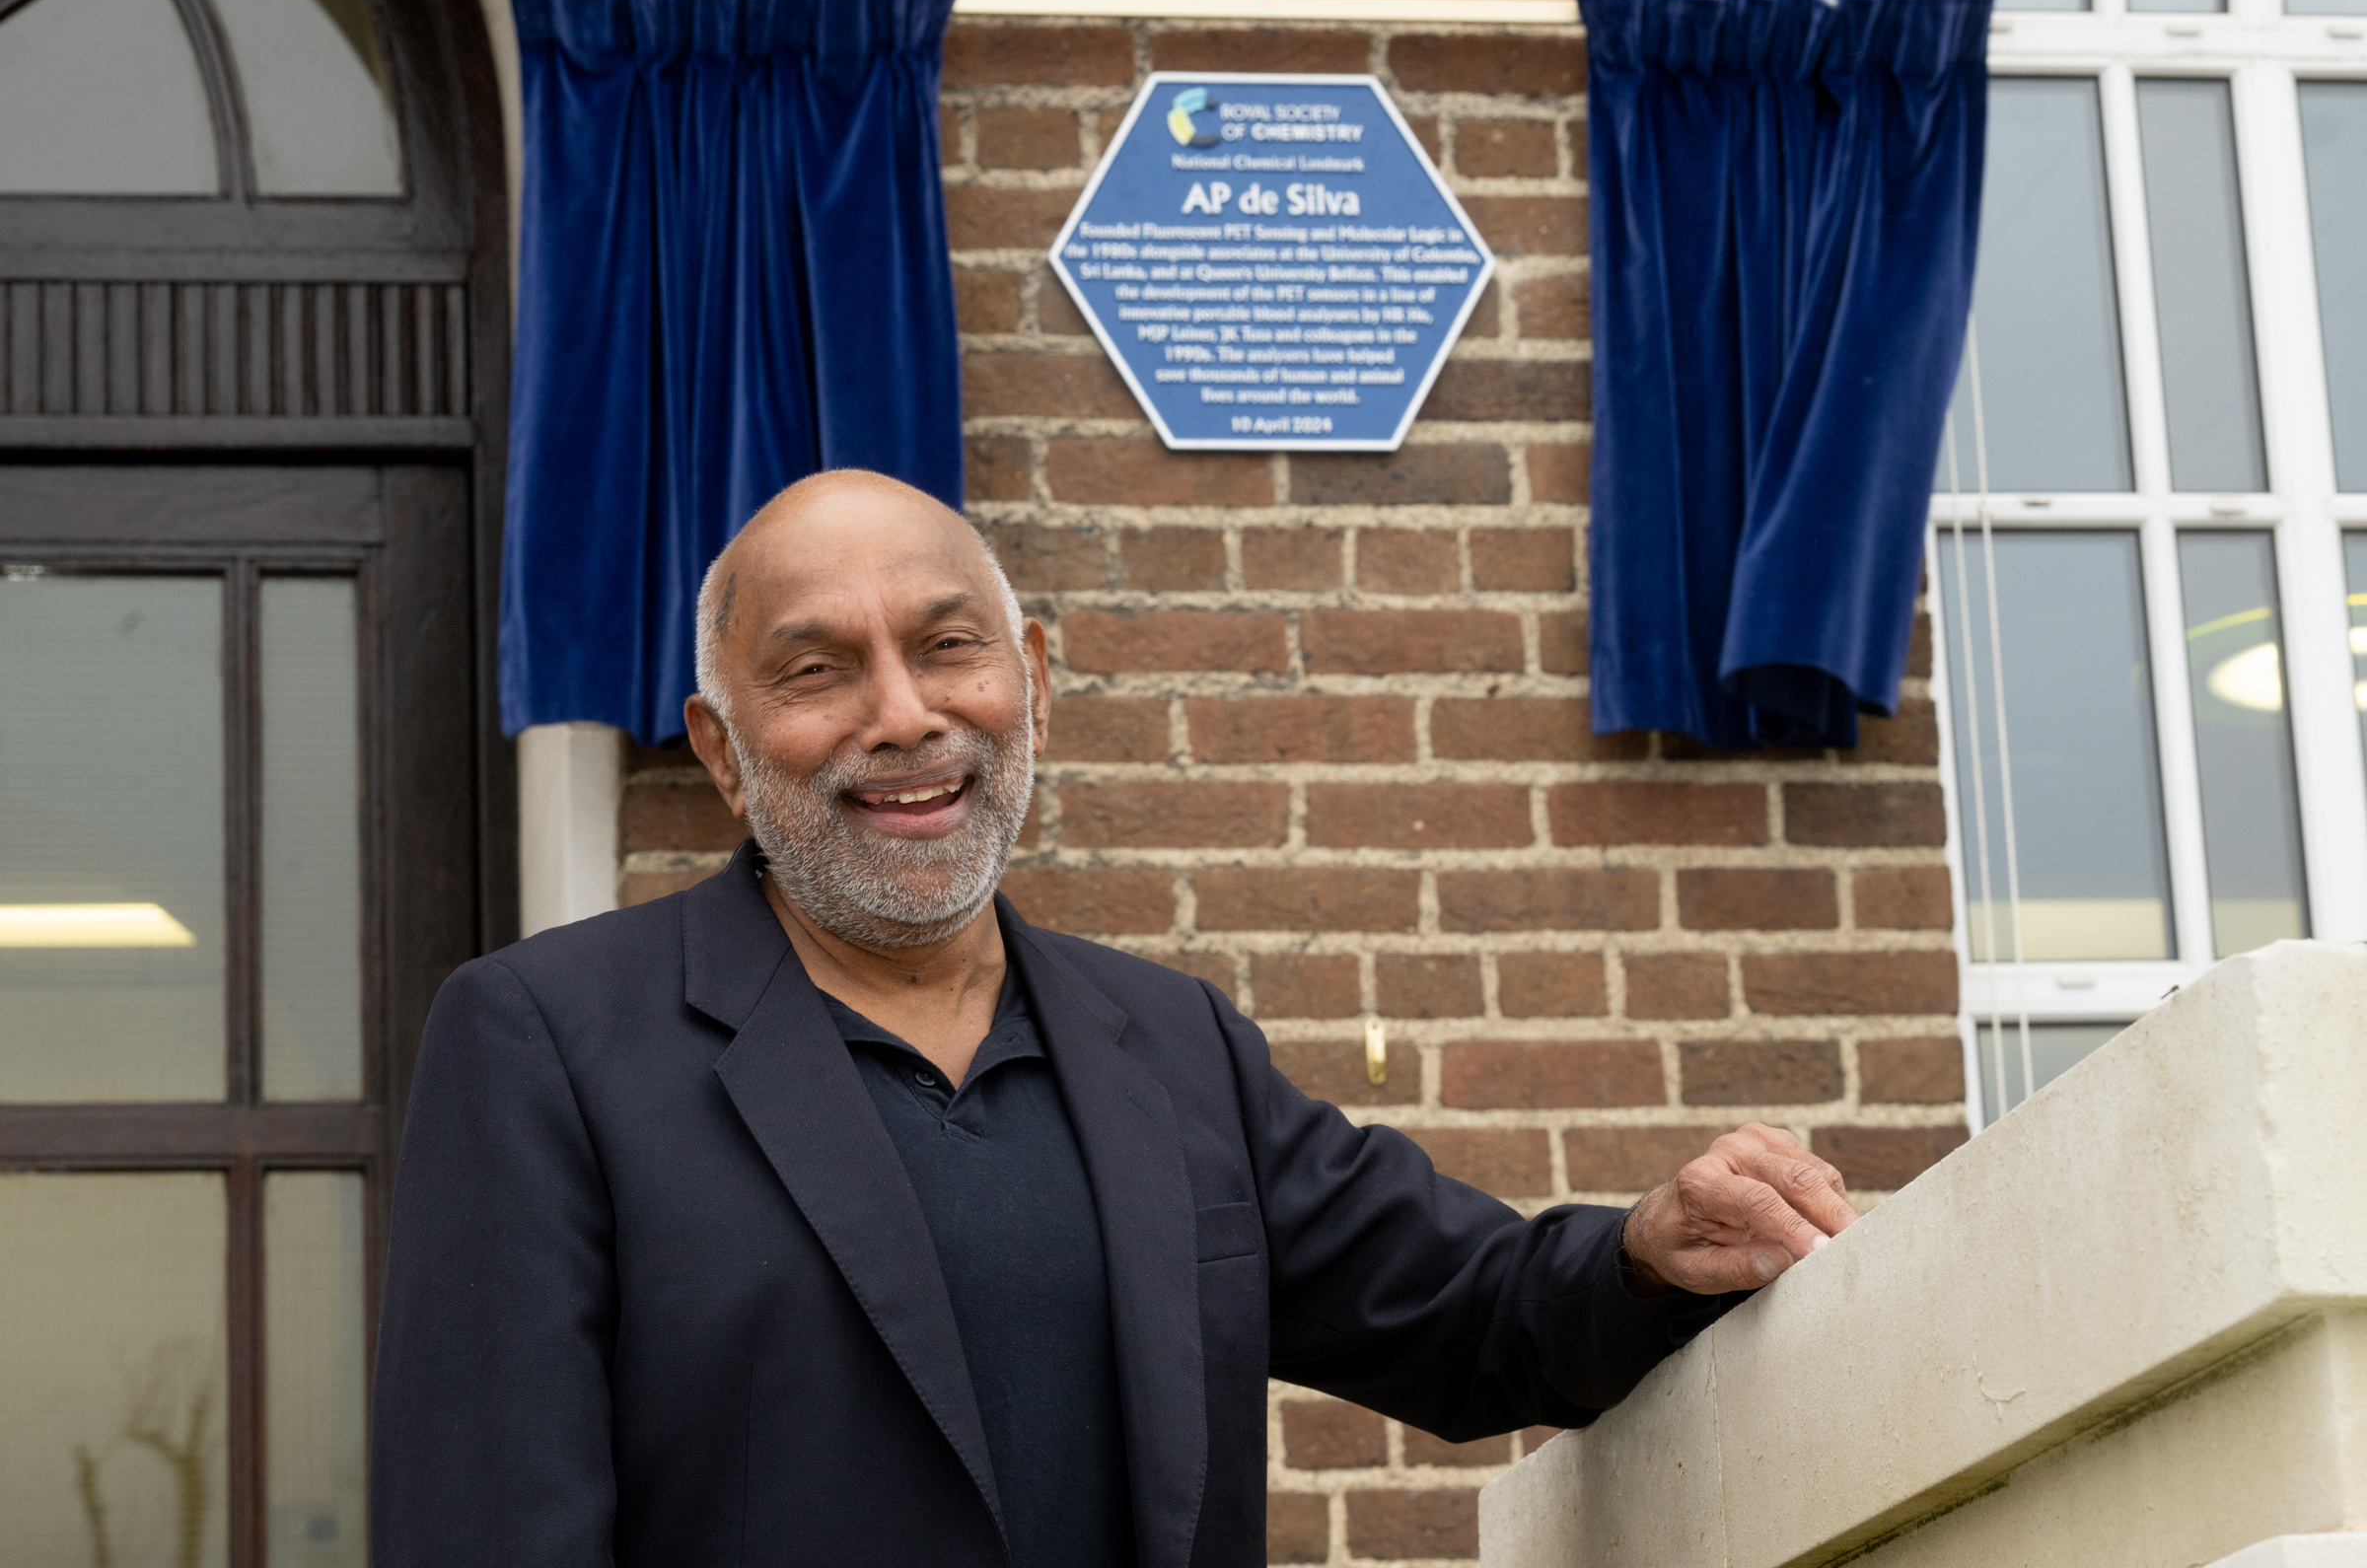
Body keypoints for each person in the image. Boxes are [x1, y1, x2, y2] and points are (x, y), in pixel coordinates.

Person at [371, 469, 1859, 1568]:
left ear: (1030, 679)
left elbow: (1476, 1321)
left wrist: (1655, 1251)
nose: (902, 717)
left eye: (947, 648)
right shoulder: (547, 1046)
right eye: (817, 671)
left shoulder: (1171, 1046)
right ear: (723, 746)